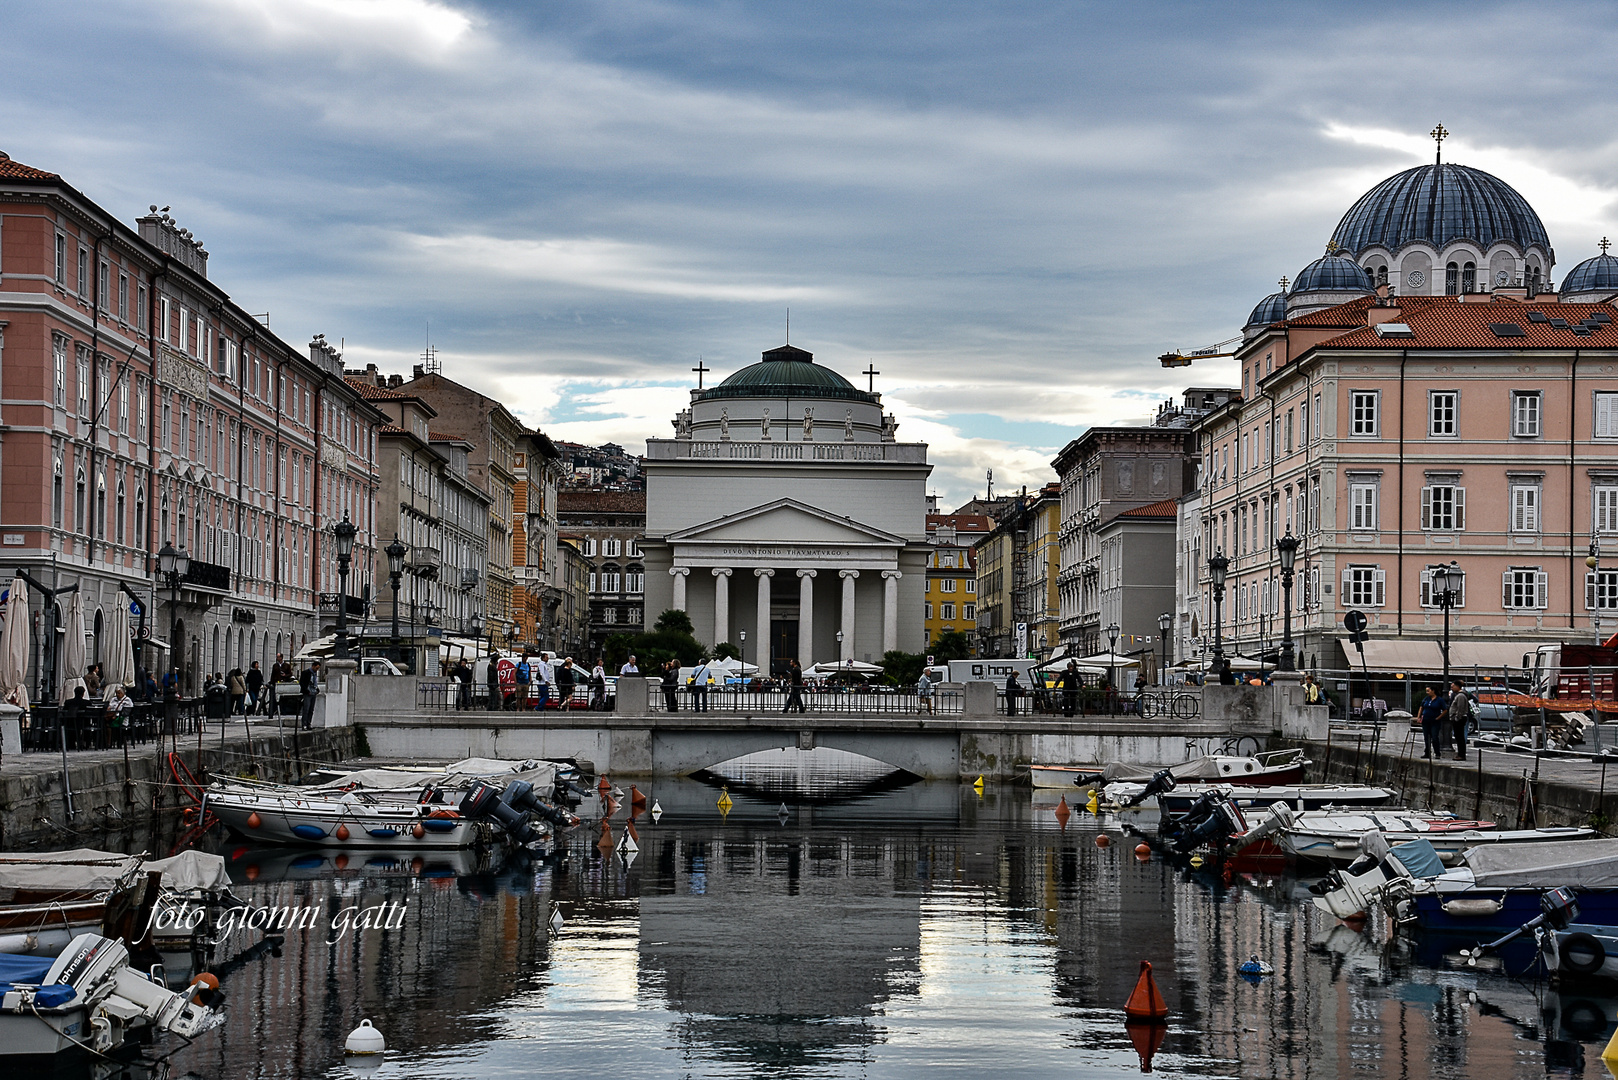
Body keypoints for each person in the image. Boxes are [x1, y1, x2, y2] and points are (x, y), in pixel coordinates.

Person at [1418, 685, 1448, 760]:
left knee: (1434, 737)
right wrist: (1419, 717)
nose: (1427, 692)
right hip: (1426, 720)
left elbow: (1445, 710)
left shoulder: (1439, 700)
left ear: (1433, 691)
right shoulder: (1426, 699)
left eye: (1428, 691)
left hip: (1434, 721)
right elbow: (1421, 707)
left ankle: (1437, 752)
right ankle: (1427, 752)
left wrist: (1438, 717)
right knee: (1426, 737)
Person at [1448, 680, 1472, 760]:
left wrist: (1457, 717)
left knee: (1460, 737)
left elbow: (1460, 708)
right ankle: (1460, 753)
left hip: (1459, 719)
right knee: (1458, 737)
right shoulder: (1458, 695)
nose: (1451, 688)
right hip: (1458, 718)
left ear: (1457, 686)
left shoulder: (1460, 696)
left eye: (1452, 686)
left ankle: (1461, 754)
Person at [299, 660, 322, 730]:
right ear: (313, 666)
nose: (317, 670)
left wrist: (317, 689)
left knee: (311, 709)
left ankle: (309, 723)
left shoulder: (314, 674)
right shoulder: (306, 673)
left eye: (318, 669)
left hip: (313, 692)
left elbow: (315, 683)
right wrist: (306, 690)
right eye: (316, 668)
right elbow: (302, 683)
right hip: (308, 693)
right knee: (306, 709)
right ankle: (304, 724)